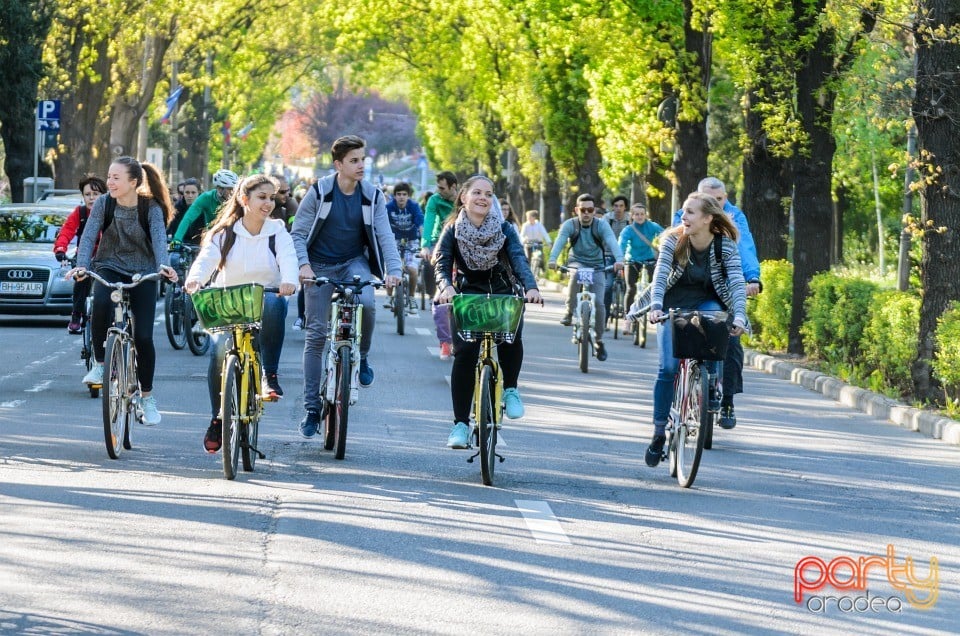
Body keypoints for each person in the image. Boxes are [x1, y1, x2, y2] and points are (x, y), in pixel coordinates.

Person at [290, 135, 402, 438]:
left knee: (366, 302)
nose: (361, 165)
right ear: (338, 164)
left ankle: (362, 355)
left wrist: (393, 270)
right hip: (319, 265)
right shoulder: (319, 192)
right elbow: (298, 234)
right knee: (315, 335)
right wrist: (303, 266)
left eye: (363, 159)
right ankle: (312, 409)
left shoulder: (372, 195)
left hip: (354, 262)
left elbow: (385, 235)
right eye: (354, 160)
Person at [184, 174, 299, 453]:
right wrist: (195, 279)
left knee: (274, 306)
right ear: (244, 199)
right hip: (230, 302)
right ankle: (217, 418)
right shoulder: (224, 233)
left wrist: (289, 280)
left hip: (265, 297)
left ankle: (269, 375)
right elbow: (205, 261)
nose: (268, 203)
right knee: (219, 353)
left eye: (272, 198)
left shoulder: (277, 230)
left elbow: (288, 258)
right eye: (262, 197)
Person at [68, 157, 178, 426]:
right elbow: (90, 235)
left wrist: (163, 266)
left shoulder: (149, 207)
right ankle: (99, 364)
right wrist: (82, 266)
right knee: (101, 306)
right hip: (108, 265)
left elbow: (159, 238)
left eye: (116, 178)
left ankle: (147, 397)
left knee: (142, 336)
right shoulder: (104, 203)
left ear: (133, 182)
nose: (110, 183)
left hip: (144, 271)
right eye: (109, 177)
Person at [434, 175, 541, 448]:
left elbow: (519, 259)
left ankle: (511, 390)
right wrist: (446, 286)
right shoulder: (452, 231)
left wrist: (531, 288)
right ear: (464, 198)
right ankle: (460, 425)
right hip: (467, 294)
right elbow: (441, 262)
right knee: (465, 353)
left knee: (510, 337)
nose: (483, 198)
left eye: (489, 194)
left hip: (502, 291)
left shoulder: (504, 228)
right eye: (477, 193)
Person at [641, 192, 747, 466]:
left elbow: (736, 282)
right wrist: (655, 307)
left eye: (690, 212)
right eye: (683, 212)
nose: (683, 217)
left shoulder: (725, 245)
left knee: (716, 321)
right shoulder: (673, 241)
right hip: (671, 302)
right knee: (668, 368)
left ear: (708, 218)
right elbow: (660, 276)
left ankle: (709, 384)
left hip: (707, 300)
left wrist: (739, 317)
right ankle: (658, 433)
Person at [672, 177, 762, 429]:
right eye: (708, 199)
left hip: (722, 289)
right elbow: (672, 249)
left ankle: (728, 400)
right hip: (689, 288)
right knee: (678, 337)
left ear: (725, 198)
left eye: (719, 200)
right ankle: (678, 399)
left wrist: (752, 277)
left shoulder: (734, 216)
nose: (715, 204)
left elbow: (744, 247)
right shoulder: (684, 215)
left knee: (730, 341)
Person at [547, 193, 624, 362]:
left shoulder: (601, 225)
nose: (587, 213)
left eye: (590, 210)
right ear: (577, 210)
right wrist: (552, 259)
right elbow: (560, 241)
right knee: (575, 276)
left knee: (599, 302)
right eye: (583, 210)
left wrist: (619, 259)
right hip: (577, 262)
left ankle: (598, 340)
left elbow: (611, 241)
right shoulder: (570, 225)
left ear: (594, 210)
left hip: (597, 266)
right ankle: (569, 311)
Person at [54, 174, 107, 334]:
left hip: (107, 256)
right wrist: (60, 249)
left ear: (103, 195)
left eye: (95, 194)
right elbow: (66, 231)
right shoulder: (80, 212)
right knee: (80, 279)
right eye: (87, 194)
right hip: (85, 256)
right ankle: (77, 314)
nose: (91, 198)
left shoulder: (110, 211)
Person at [420, 171, 459, 360]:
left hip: (462, 245)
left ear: (454, 187)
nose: (438, 191)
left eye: (442, 188)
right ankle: (445, 341)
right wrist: (425, 245)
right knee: (440, 302)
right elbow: (429, 221)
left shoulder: (464, 200)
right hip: (439, 243)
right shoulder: (435, 200)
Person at [619, 203, 664, 334]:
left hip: (649, 258)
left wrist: (663, 246)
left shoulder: (652, 226)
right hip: (632, 260)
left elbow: (664, 234)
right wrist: (620, 258)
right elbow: (621, 244)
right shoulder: (628, 229)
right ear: (632, 216)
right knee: (631, 288)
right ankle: (627, 319)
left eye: (642, 214)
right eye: (636, 214)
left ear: (646, 215)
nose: (639, 216)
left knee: (653, 286)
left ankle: (650, 312)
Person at [171, 169, 239, 243]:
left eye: (234, 188)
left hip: (233, 238)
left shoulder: (238, 199)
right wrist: (177, 239)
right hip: (211, 239)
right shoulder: (206, 198)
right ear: (219, 188)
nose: (233, 192)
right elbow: (188, 218)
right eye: (230, 189)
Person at [385, 181, 424, 308]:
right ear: (394, 196)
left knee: (412, 270)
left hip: (411, 240)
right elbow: (382, 225)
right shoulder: (389, 207)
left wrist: (424, 242)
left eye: (404, 194)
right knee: (392, 269)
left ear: (408, 196)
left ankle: (412, 297)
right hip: (393, 240)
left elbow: (420, 224)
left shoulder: (414, 206)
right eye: (398, 194)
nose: (401, 197)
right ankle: (389, 296)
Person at [602, 195, 631, 319]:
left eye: (621, 206)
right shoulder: (606, 219)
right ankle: (605, 316)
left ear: (625, 207)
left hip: (626, 258)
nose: (618, 208)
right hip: (608, 255)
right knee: (607, 286)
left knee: (629, 287)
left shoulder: (630, 220)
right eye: (616, 206)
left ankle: (628, 316)